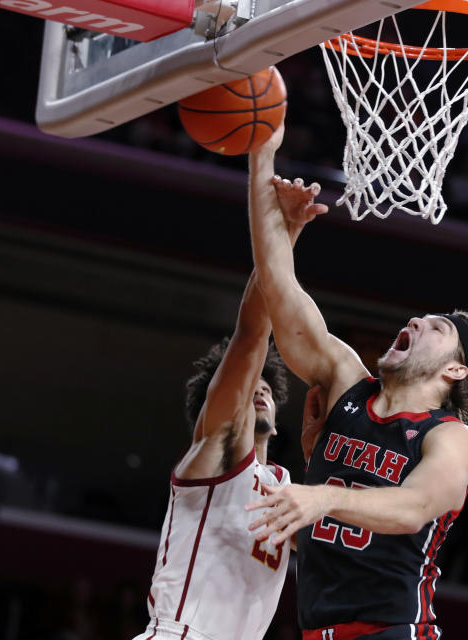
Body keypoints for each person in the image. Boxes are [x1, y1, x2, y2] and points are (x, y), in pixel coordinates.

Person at [244, 123, 468, 640]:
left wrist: (319, 498)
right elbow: (280, 296)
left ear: (454, 371)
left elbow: (412, 509)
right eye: (418, 318)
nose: (413, 323)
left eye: (435, 329)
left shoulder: (451, 437)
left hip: (394, 630)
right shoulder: (349, 383)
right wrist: (263, 159)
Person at [135, 173, 316, 640]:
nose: (259, 391)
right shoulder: (215, 449)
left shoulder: (282, 488)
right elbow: (253, 334)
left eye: (268, 390)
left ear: (277, 419)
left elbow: (333, 547)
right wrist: (284, 235)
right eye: (250, 385)